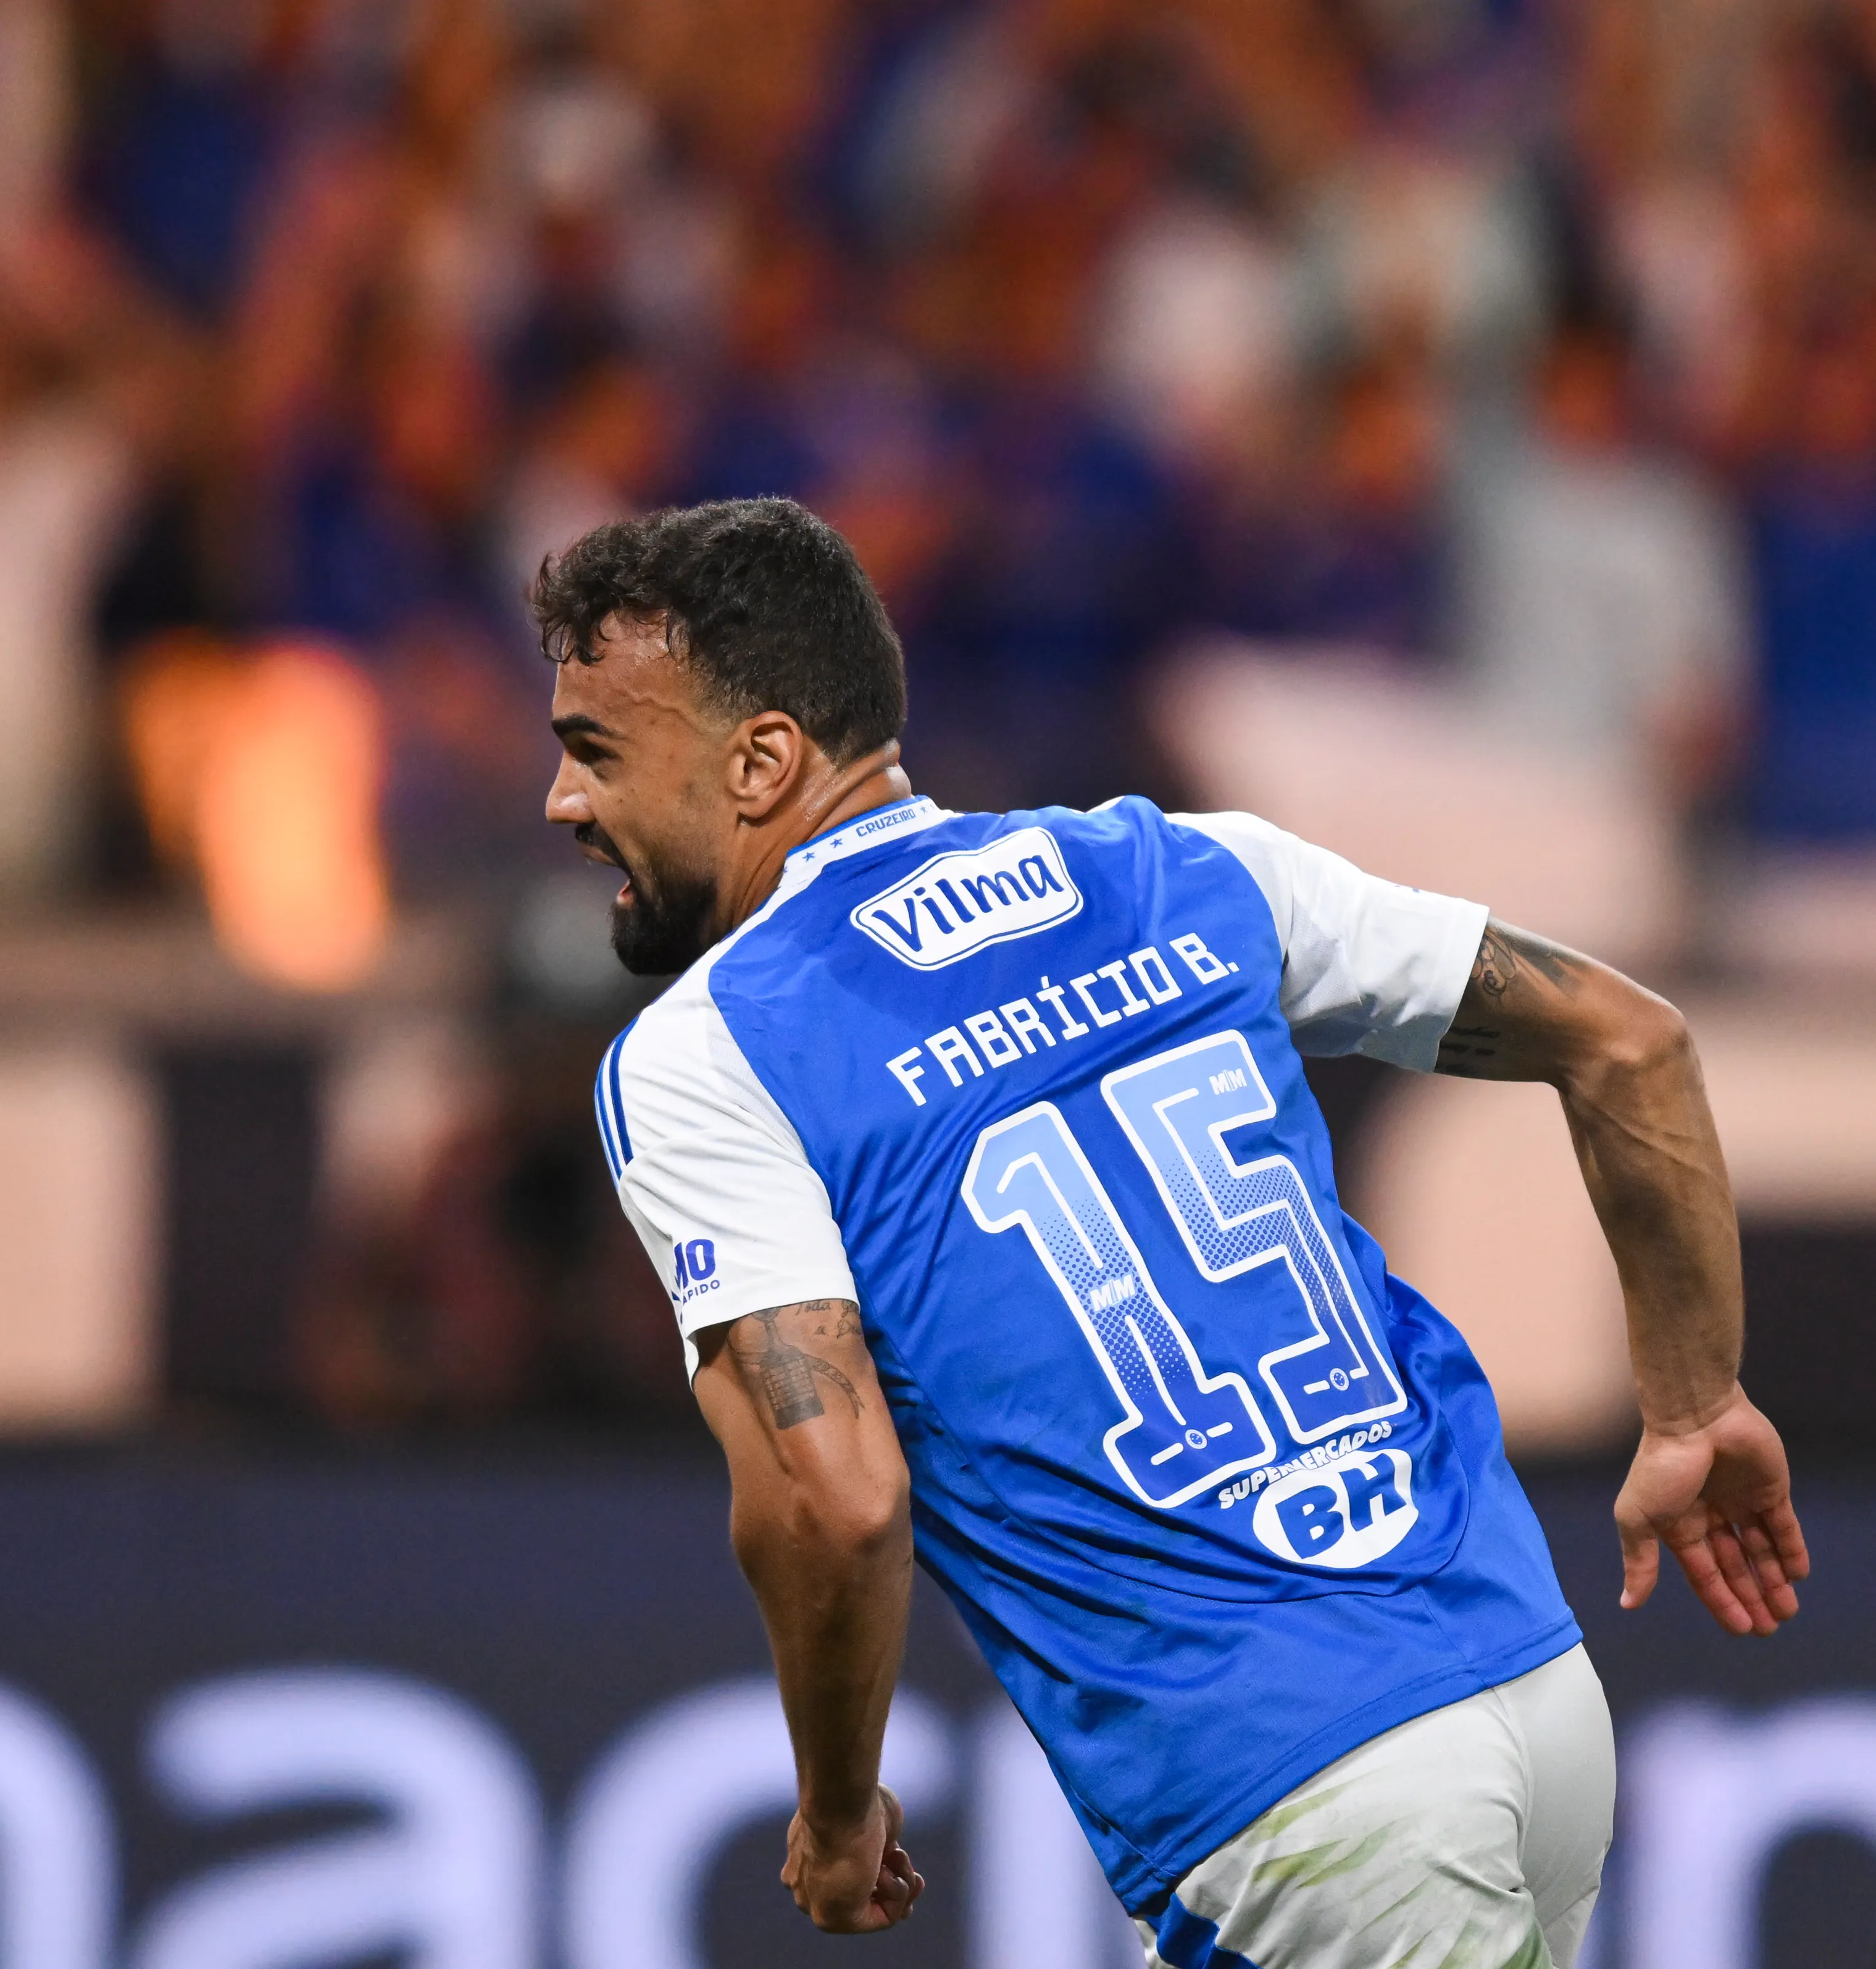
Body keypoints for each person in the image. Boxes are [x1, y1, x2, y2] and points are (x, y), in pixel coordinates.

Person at [532, 496, 1807, 1963]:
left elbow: (837, 1495)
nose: (564, 804)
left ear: (760, 760)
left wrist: (832, 1811)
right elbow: (1627, 1041)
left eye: (594, 751)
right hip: (1522, 1688)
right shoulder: (1185, 869)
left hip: (1302, 1796)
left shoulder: (711, 1050)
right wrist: (1694, 1398)